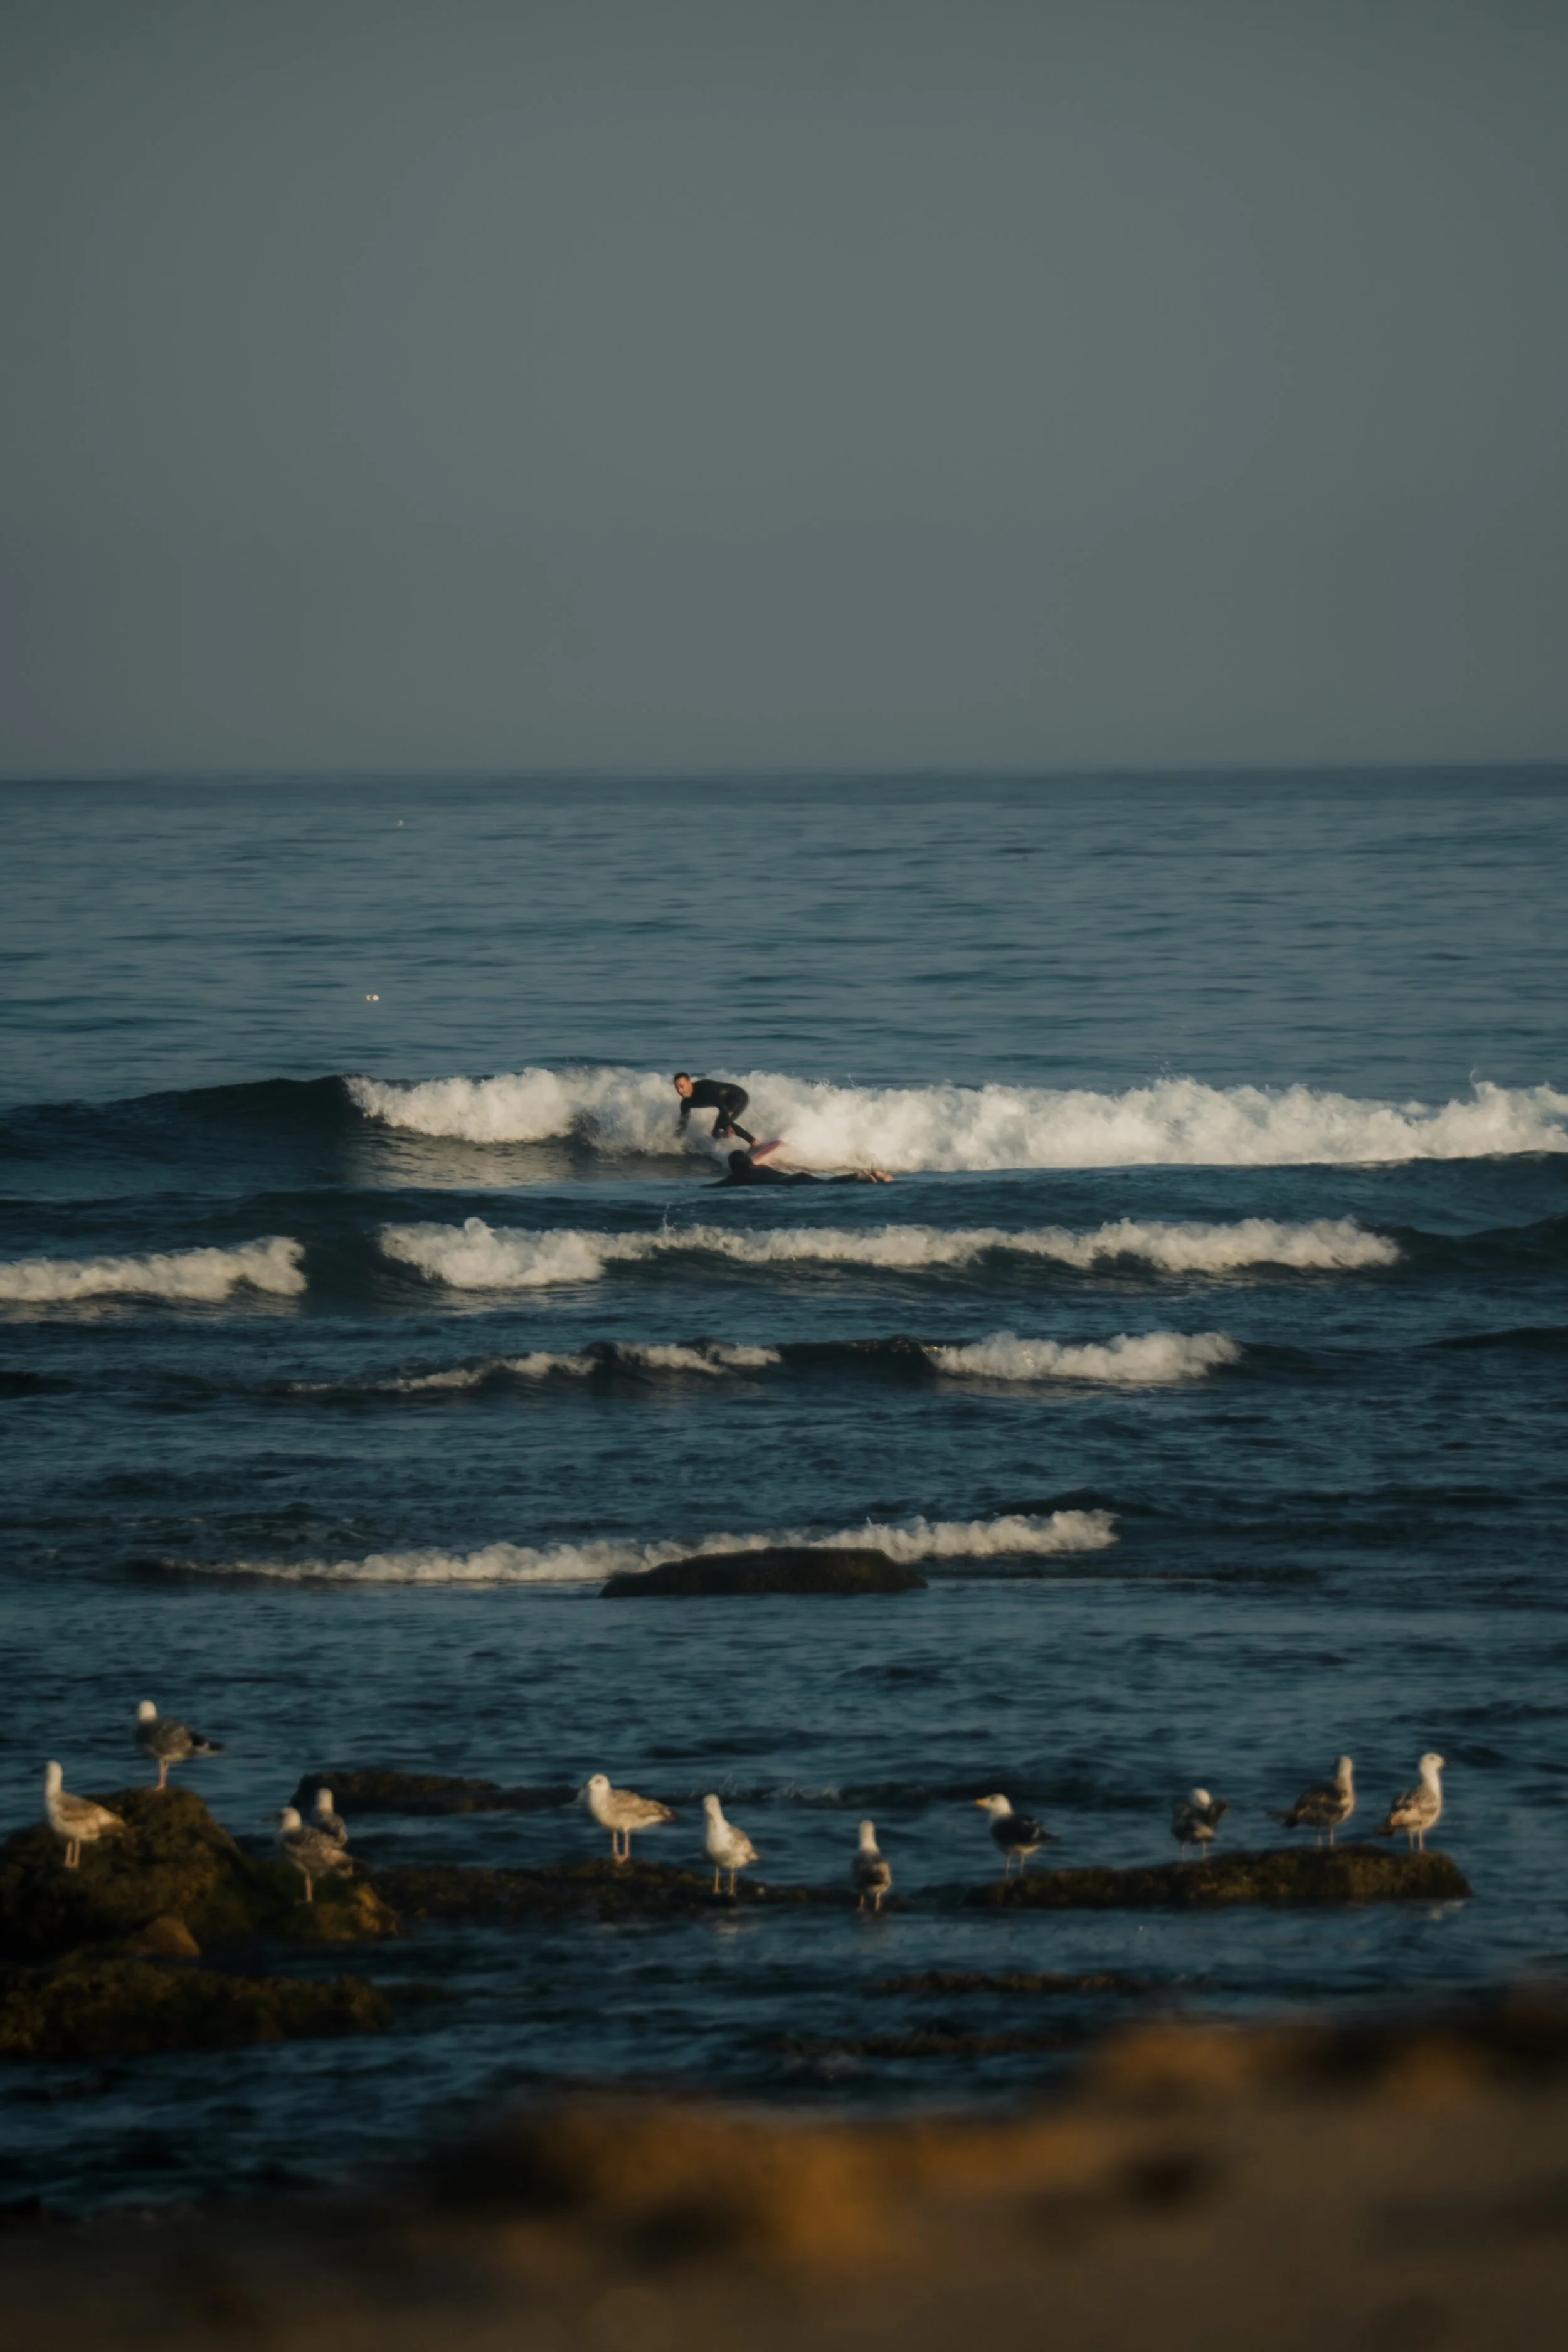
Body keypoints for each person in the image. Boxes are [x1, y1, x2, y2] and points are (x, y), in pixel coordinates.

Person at [714, 1149, 891, 1187]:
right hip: (797, 1176)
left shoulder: (737, 1177)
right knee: (827, 1183)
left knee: (827, 1185)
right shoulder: (761, 1167)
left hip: (791, 1183)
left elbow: (715, 1186)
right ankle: (864, 1176)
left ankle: (859, 1176)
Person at [673, 1071, 756, 1145]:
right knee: (715, 1133)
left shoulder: (705, 1088)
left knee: (724, 1123)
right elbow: (683, 1124)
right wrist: (675, 1140)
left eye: (682, 1086)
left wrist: (728, 1125)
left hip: (738, 1096)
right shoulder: (686, 1104)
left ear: (689, 1083)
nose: (680, 1091)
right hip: (726, 1104)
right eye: (677, 1088)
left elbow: (721, 1105)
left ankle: (754, 1142)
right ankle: (729, 1137)